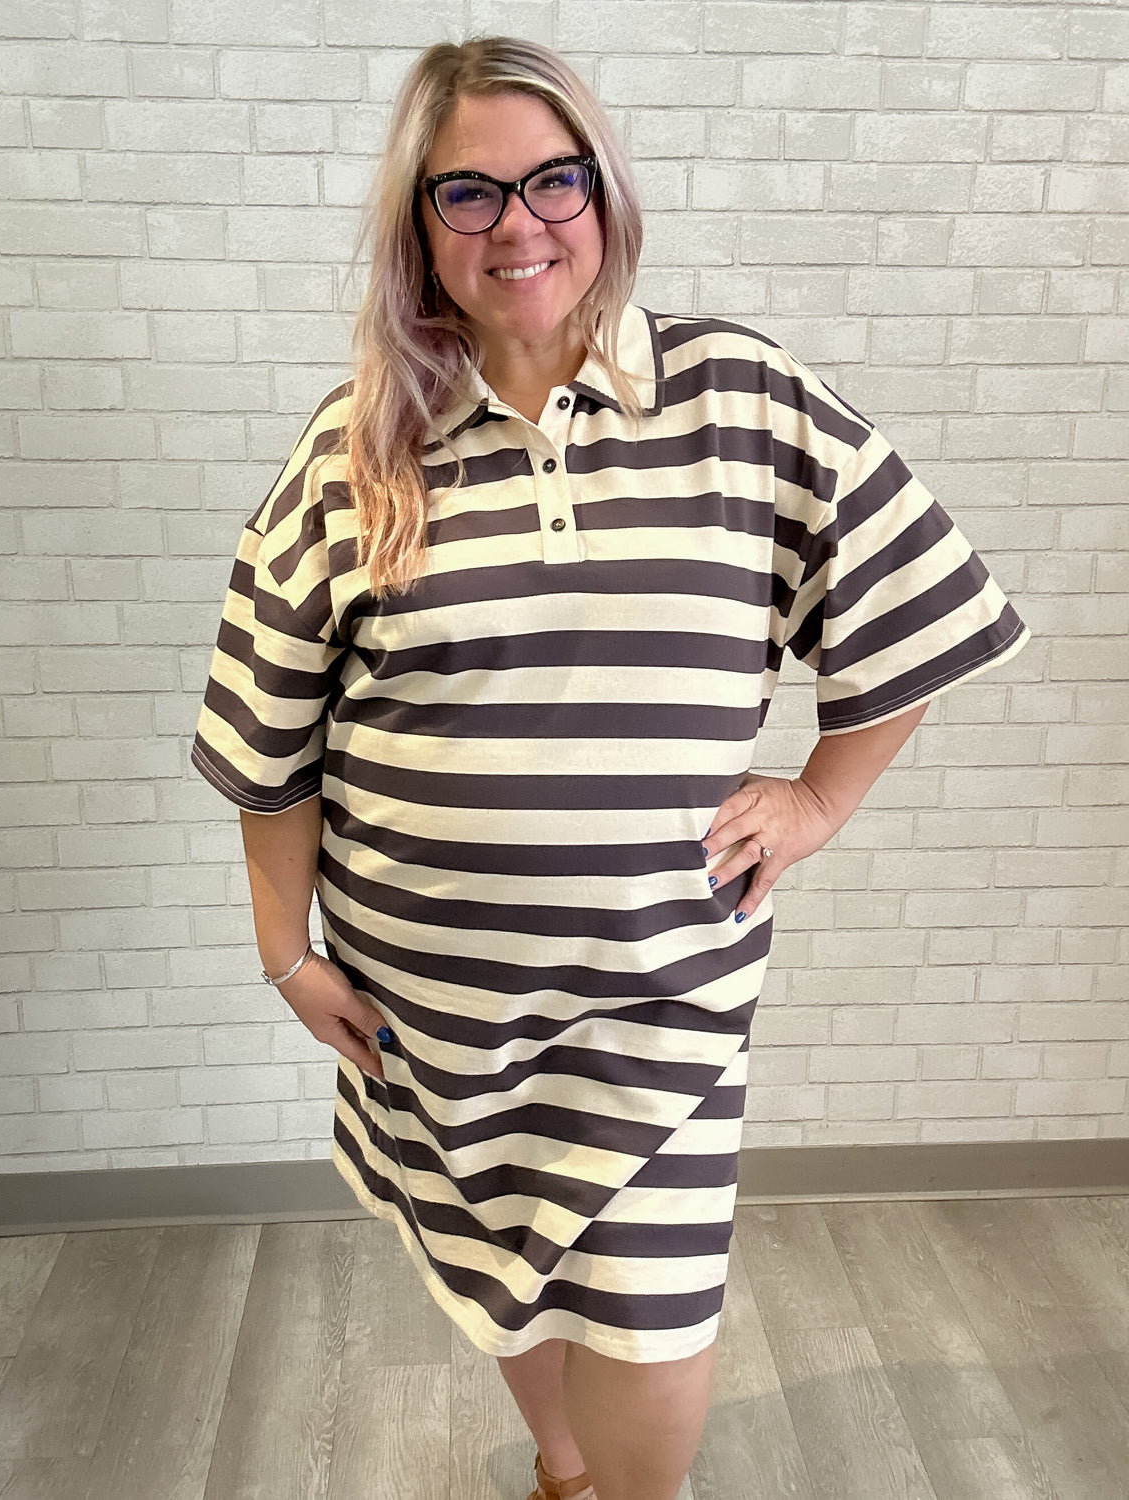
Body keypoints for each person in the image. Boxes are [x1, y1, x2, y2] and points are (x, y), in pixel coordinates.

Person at [190, 36, 1030, 1500]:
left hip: (661, 985)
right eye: (469, 194)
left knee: (651, 1308)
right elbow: (271, 729)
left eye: (552, 181)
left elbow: (917, 594)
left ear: (603, 191)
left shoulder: (742, 402)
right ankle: (563, 1473)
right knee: (503, 1270)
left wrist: (821, 796)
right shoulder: (357, 447)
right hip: (433, 1005)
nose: (519, 224)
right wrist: (284, 949)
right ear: (420, 228)